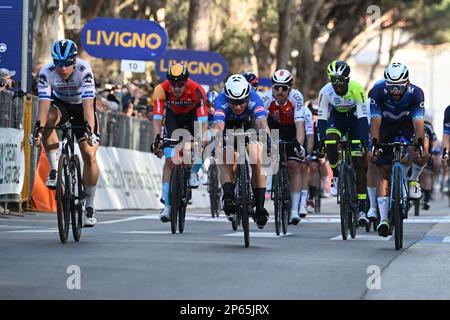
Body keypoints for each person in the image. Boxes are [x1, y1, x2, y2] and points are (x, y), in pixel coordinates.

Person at [30, 39, 100, 227]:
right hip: (60, 104)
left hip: (81, 106)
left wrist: (90, 131)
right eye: (58, 63)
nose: (62, 68)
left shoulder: (84, 72)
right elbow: (43, 105)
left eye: (67, 63)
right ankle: (54, 169)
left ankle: (90, 205)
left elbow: (88, 106)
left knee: (89, 153)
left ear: (74, 61)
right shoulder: (46, 72)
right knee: (47, 122)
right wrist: (39, 129)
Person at [369, 62, 429, 237]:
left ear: (407, 83)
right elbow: (375, 123)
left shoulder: (416, 94)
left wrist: (418, 145)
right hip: (385, 128)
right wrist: (375, 145)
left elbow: (418, 123)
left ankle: (413, 180)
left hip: (407, 127)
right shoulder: (378, 92)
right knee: (384, 171)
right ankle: (384, 220)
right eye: (391, 86)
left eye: (399, 86)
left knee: (421, 153)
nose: (395, 91)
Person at [211, 74, 271, 229]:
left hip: (249, 122)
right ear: (227, 97)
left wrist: (268, 139)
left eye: (241, 102)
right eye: (233, 102)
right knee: (225, 159)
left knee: (257, 158)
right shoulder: (221, 99)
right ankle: (229, 196)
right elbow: (218, 125)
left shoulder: (254, 97)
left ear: (247, 95)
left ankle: (260, 207)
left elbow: (262, 122)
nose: (237, 107)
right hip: (228, 125)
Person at [151, 63, 208, 222]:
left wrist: (201, 139)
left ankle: (194, 171)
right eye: (173, 84)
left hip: (193, 120)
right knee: (169, 160)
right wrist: (157, 140)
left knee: (200, 144)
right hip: (173, 120)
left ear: (186, 81)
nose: (176, 88)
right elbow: (156, 119)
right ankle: (167, 206)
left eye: (180, 84)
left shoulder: (197, 90)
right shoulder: (160, 90)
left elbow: (203, 122)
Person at [317, 60, 370, 227]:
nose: (337, 84)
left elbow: (363, 119)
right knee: (330, 140)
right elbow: (322, 119)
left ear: (347, 79)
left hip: (355, 119)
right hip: (337, 119)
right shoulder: (325, 92)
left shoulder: (357, 89)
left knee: (359, 163)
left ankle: (362, 209)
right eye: (333, 80)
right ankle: (336, 174)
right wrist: (322, 142)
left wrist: (363, 142)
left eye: (340, 80)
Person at [261, 69, 307, 224]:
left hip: (292, 129)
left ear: (290, 88)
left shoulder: (296, 97)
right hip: (273, 128)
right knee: (267, 152)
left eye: (284, 88)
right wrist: (266, 140)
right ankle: (270, 182)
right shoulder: (266, 98)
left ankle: (294, 209)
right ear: (272, 87)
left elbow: (300, 124)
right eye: (276, 87)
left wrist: (298, 144)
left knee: (294, 165)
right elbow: (261, 123)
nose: (279, 91)